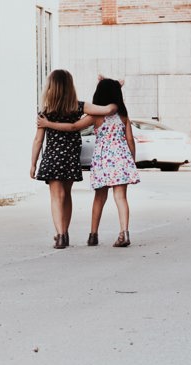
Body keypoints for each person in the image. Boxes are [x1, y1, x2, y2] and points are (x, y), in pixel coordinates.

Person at [37, 77, 139, 248]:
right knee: (121, 197)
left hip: (103, 160)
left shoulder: (95, 117)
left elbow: (73, 127)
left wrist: (49, 124)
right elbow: (130, 140)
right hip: (121, 159)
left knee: (99, 198)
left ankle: (93, 235)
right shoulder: (123, 115)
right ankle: (124, 232)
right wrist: (132, 161)